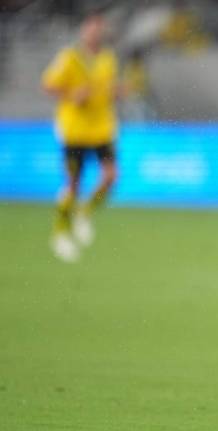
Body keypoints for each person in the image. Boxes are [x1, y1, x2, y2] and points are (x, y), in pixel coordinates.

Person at [42, 11, 121, 262]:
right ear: (83, 31)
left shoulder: (108, 58)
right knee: (73, 185)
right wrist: (73, 94)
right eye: (91, 28)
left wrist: (117, 92)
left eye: (99, 29)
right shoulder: (69, 57)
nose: (95, 33)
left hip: (101, 129)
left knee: (110, 177)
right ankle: (60, 234)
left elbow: (107, 89)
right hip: (75, 130)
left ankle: (84, 212)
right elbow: (48, 85)